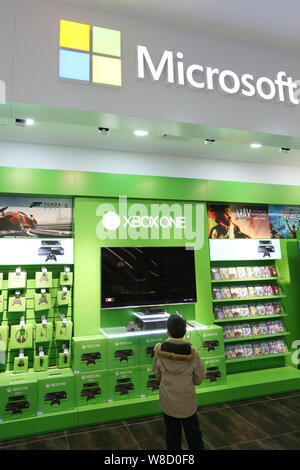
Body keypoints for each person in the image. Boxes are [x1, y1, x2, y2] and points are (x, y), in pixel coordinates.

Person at [152, 314, 205, 450]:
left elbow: (156, 373)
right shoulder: (193, 353)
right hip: (187, 401)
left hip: (168, 401)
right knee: (194, 434)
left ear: (167, 331)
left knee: (172, 436)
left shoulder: (159, 350)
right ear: (185, 332)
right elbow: (199, 378)